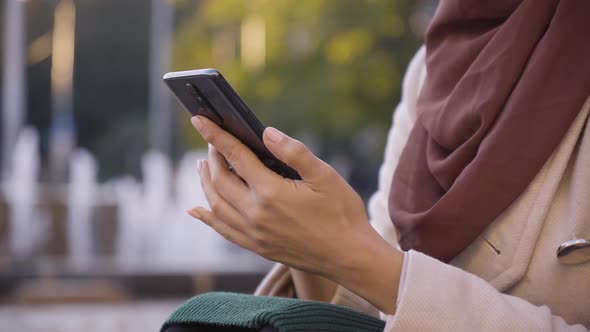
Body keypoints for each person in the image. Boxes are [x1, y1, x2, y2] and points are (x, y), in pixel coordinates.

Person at [186, 0, 590, 330]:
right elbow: (373, 311)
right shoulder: (432, 66)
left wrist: (347, 252)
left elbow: (383, 276)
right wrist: (305, 245)